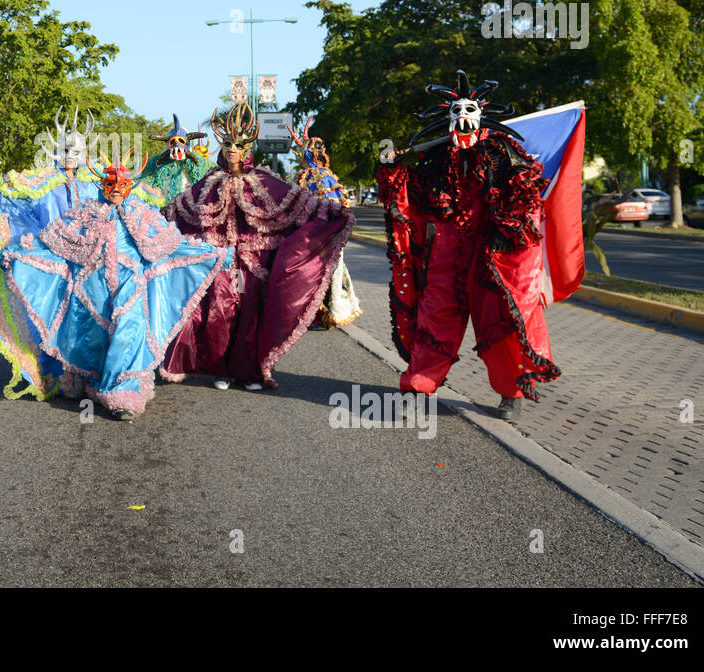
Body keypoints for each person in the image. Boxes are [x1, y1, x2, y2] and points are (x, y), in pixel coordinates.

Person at [377, 70, 561, 420]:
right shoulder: (434, 159)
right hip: (445, 252)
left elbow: (527, 195)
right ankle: (419, 387)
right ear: (448, 118)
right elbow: (411, 197)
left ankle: (512, 393)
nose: (462, 118)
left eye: (469, 111)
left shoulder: (503, 154)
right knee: (435, 316)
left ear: (481, 116)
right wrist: (392, 167)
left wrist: (506, 229)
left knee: (502, 320)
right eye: (456, 112)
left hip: (490, 251)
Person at [0, 158, 232, 420]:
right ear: (102, 185)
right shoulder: (84, 214)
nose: (116, 190)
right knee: (95, 338)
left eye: (122, 184)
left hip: (130, 285)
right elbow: (52, 243)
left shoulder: (142, 215)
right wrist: (17, 255)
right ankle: (95, 380)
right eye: (110, 184)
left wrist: (212, 254)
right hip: (90, 289)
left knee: (128, 331)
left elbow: (171, 244)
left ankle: (123, 394)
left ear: (130, 186)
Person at [0, 109, 165, 399]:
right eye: (65, 149)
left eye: (77, 149)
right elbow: (14, 202)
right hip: (54, 256)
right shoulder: (44, 182)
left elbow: (122, 196)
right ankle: (58, 372)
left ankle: (93, 374)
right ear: (56, 151)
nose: (71, 154)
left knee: (90, 319)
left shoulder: (95, 182)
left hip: (90, 261)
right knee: (53, 315)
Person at [163, 102, 354, 391]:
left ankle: (249, 372)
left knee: (250, 313)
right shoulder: (210, 182)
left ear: (248, 149)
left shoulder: (264, 182)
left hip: (253, 263)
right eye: (227, 144)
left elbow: (300, 202)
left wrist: (332, 211)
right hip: (220, 260)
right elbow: (179, 208)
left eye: (238, 145)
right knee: (219, 311)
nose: (232, 150)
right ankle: (221, 371)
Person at [287, 115, 362, 327]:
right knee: (329, 270)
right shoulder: (322, 174)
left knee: (323, 271)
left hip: (320, 233)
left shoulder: (315, 176)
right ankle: (325, 311)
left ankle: (326, 311)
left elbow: (331, 204)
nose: (299, 158)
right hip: (320, 232)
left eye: (301, 154)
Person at [137, 114, 216, 206]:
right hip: (162, 206)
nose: (177, 146)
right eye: (173, 142)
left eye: (181, 141)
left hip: (191, 206)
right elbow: (144, 182)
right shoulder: (157, 162)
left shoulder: (199, 163)